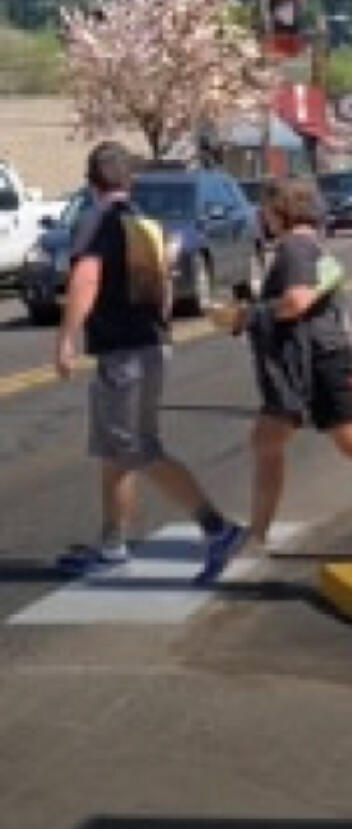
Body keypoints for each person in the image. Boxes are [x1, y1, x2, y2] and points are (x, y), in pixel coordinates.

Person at [53, 141, 245, 584]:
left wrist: (66, 339)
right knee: (113, 452)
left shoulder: (95, 220)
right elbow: (161, 291)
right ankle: (112, 544)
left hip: (125, 352)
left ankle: (217, 529)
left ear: (90, 182)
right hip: (146, 345)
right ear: (130, 180)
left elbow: (86, 277)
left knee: (137, 447)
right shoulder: (144, 222)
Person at [229, 176, 352, 560]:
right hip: (318, 359)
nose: (262, 217)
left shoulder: (294, 250)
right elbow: (339, 313)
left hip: (314, 362)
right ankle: (257, 534)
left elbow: (296, 302)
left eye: (267, 209)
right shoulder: (313, 247)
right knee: (268, 443)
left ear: (281, 211)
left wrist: (247, 315)